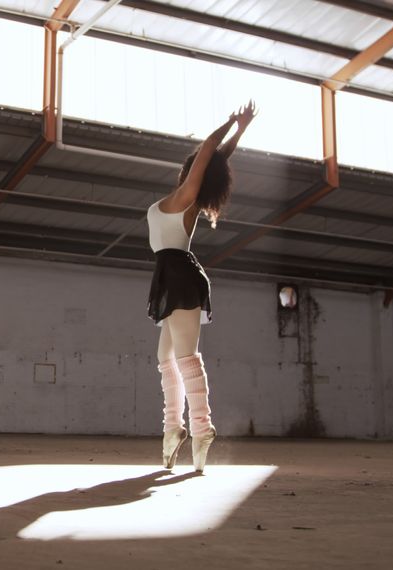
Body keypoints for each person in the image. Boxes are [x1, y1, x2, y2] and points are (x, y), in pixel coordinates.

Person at [147, 101, 257, 471]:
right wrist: (239, 133)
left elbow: (210, 150)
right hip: (169, 274)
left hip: (178, 274)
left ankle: (202, 428)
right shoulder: (182, 198)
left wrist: (230, 123)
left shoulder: (185, 199)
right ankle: (173, 429)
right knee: (166, 359)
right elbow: (216, 157)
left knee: (184, 357)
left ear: (196, 172)